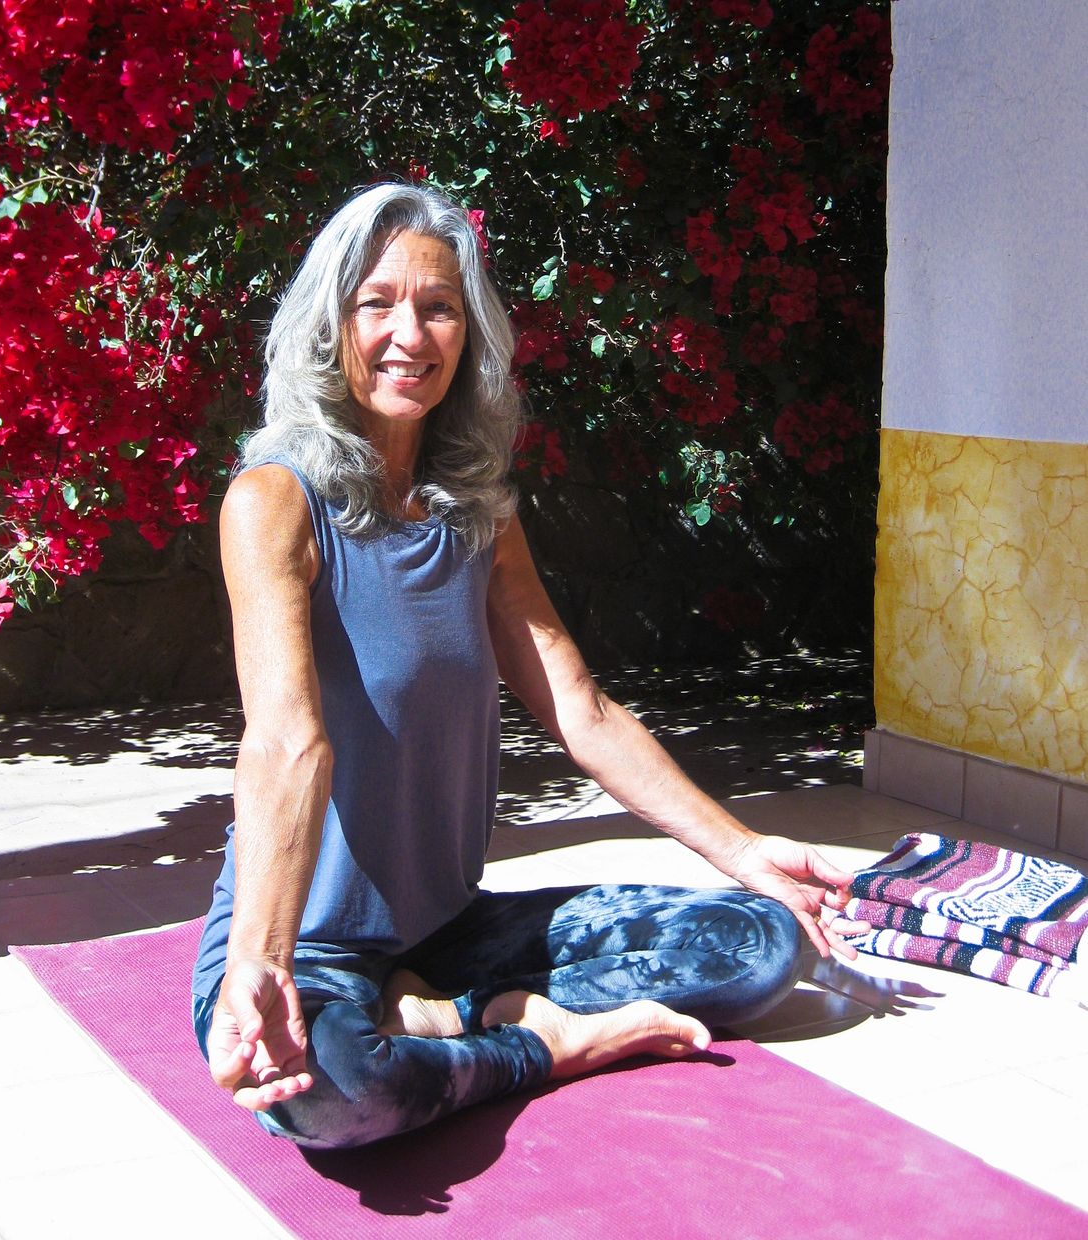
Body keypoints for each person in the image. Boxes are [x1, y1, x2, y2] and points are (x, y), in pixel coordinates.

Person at [191, 182, 857, 1150]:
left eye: (439, 307)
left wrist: (744, 851)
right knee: (336, 1092)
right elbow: (287, 743)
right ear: (329, 324)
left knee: (759, 944)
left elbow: (581, 709)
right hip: (308, 940)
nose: (408, 335)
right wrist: (260, 958)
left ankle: (442, 1014)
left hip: (450, 932)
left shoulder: (478, 515)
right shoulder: (273, 501)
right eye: (376, 303)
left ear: (469, 335)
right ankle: (541, 1041)